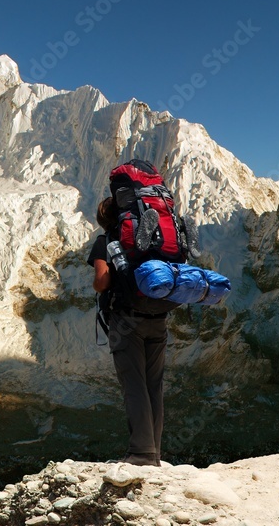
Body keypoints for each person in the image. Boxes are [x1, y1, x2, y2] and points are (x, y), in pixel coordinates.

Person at [88, 196, 168, 467]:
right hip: (158, 316)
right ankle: (153, 453)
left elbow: (101, 281)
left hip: (126, 321)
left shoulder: (105, 241)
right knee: (153, 385)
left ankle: (141, 453)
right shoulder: (150, 240)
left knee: (133, 383)